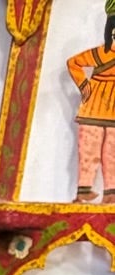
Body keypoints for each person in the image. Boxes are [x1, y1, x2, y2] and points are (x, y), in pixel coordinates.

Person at [68, 10, 115, 200]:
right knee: (89, 149)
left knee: (112, 152)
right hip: (93, 107)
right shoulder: (98, 53)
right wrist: (83, 84)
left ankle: (111, 192)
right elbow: (74, 63)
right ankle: (84, 189)